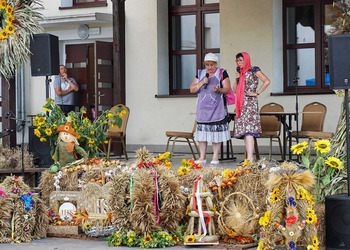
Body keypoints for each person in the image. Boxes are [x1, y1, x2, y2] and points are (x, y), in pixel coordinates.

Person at [190, 53, 232, 165]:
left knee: (216, 133)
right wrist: (201, 83)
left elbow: (227, 89)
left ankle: (215, 157)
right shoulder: (200, 74)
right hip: (203, 108)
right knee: (202, 133)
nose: (209, 67)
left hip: (217, 108)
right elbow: (192, 89)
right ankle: (202, 157)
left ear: (216, 64)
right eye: (207, 64)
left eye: (212, 64)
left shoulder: (222, 73)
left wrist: (219, 90)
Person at [233, 52, 271, 162]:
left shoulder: (254, 70)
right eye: (238, 60)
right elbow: (235, 90)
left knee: (249, 130)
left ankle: (250, 158)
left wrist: (257, 92)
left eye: (241, 60)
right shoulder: (240, 72)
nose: (239, 62)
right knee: (245, 131)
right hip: (241, 103)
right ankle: (249, 158)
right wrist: (237, 79)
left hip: (250, 103)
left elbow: (267, 81)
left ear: (246, 59)